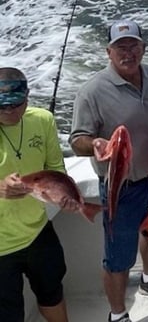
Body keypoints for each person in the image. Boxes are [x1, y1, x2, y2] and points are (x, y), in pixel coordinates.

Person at [70, 20, 148, 322]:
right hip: (122, 186)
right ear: (108, 52)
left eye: (133, 45)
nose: (128, 52)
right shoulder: (91, 92)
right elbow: (76, 138)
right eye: (121, 47)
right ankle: (118, 314)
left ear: (143, 48)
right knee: (118, 257)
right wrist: (93, 143)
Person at [0, 68, 73, 322]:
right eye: (1, 106)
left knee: (52, 293)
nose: (9, 111)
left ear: (27, 97)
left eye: (15, 104)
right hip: (1, 246)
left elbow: (56, 170)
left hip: (38, 232)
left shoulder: (43, 120)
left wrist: (62, 196)